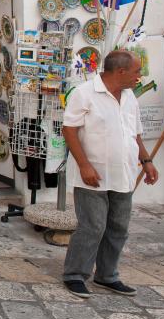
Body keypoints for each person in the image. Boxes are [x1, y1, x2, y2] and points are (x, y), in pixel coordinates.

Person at [61, 50, 158, 299]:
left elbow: (134, 133)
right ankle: (75, 274)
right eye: (137, 71)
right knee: (92, 226)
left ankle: (107, 275)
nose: (140, 76)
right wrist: (84, 165)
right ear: (121, 71)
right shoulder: (85, 93)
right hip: (93, 173)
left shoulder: (129, 97)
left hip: (123, 173)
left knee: (118, 227)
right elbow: (69, 130)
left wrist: (146, 161)